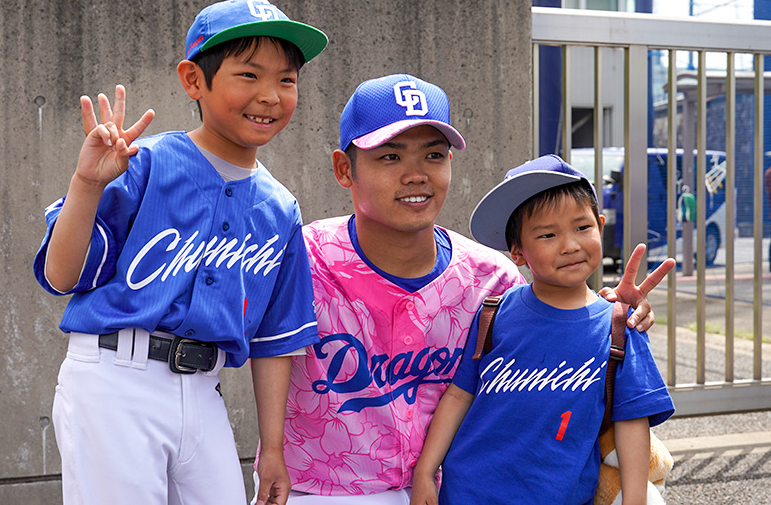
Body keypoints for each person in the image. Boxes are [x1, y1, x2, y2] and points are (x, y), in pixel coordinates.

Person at [277, 74, 674, 503]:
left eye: (434, 154)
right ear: (344, 169)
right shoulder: (299, 259)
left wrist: (615, 312)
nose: (415, 175)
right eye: (390, 156)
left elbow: (558, 319)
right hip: (320, 489)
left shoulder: (492, 281)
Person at [33, 0, 327, 505]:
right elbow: (62, 276)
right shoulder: (144, 163)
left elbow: (276, 340)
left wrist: (273, 448)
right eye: (248, 75)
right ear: (194, 80)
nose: (270, 95)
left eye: (286, 80)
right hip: (117, 379)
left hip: (204, 391)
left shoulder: (281, 207)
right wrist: (85, 183)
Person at [410, 154, 676, 504]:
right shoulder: (494, 313)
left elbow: (632, 421)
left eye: (582, 227)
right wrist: (425, 472)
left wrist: (635, 500)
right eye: (548, 234)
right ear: (518, 251)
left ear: (600, 224)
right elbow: (460, 395)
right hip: (469, 492)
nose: (570, 245)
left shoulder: (619, 327)